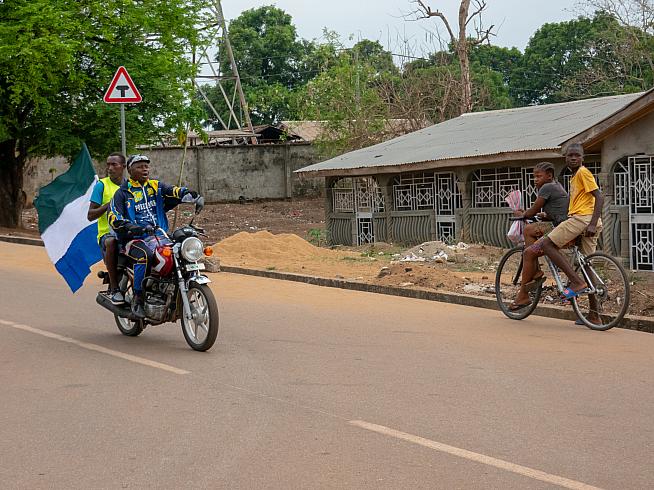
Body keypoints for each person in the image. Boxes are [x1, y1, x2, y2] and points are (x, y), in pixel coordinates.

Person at [108, 154, 199, 319]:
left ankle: (179, 288)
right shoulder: (122, 193)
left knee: (180, 251)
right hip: (134, 239)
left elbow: (174, 191)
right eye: (140, 166)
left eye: (146, 166)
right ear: (130, 170)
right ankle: (138, 297)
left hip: (160, 235)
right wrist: (130, 227)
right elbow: (114, 217)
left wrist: (192, 195)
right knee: (145, 256)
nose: (145, 169)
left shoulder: (156, 186)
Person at [521, 143, 604, 323]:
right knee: (586, 265)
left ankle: (575, 282)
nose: (573, 158)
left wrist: (590, 222)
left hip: (582, 220)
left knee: (546, 244)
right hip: (588, 221)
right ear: (565, 159)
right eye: (570, 156)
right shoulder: (572, 178)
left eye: (577, 155)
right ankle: (594, 315)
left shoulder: (582, 172)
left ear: (583, 158)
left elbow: (599, 196)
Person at [509, 161, 569, 311]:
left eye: (538, 176)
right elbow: (555, 210)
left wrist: (522, 214)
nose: (535, 180)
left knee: (528, 232)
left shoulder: (547, 187)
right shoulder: (558, 186)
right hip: (561, 224)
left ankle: (532, 275)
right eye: (534, 177)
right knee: (531, 230)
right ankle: (534, 270)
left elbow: (533, 209)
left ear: (549, 176)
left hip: (559, 228)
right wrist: (544, 215)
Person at [88, 152, 127, 305]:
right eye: (108, 164)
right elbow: (90, 215)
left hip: (128, 231)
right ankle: (115, 287)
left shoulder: (130, 186)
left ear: (123, 167)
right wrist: (108, 205)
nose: (110, 168)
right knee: (111, 241)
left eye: (114, 164)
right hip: (107, 233)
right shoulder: (101, 186)